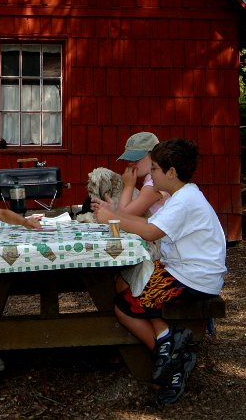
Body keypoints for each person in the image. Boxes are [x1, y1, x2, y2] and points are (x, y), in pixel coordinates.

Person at [94, 138, 226, 406]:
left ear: (171, 173)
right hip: (183, 270)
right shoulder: (183, 196)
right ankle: (168, 340)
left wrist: (112, 219)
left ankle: (170, 358)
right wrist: (114, 215)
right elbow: (147, 222)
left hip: (194, 279)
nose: (151, 175)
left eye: (154, 169)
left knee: (124, 305)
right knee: (123, 279)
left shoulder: (184, 200)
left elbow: (151, 231)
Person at [115, 131, 169, 217]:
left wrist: (128, 186)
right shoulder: (150, 177)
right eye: (129, 159)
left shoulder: (155, 183)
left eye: (136, 159)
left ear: (153, 154)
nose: (132, 163)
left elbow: (124, 217)